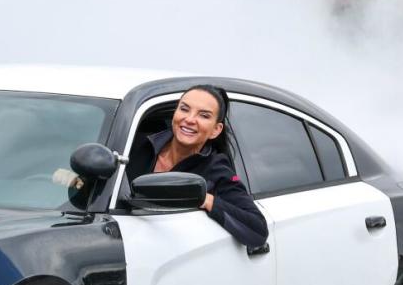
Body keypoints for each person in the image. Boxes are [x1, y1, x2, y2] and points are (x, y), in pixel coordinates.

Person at [56, 85, 267, 248]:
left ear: (215, 130)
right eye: (184, 109)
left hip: (170, 253)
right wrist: (75, 182)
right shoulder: (134, 145)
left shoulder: (216, 170)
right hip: (112, 238)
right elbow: (97, 194)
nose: (190, 119)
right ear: (175, 114)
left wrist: (206, 200)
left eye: (204, 115)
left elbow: (257, 231)